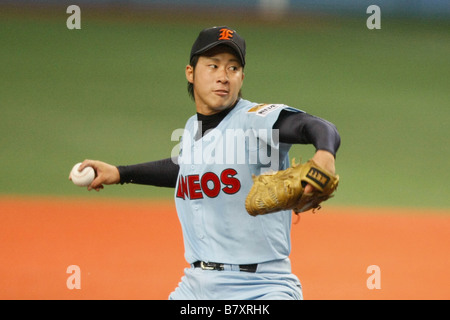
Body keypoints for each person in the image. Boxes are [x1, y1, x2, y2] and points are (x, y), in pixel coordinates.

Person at [73, 26, 340, 300]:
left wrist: (325, 154)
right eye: (213, 66)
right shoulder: (192, 129)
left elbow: (317, 126)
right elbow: (186, 167)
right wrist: (120, 173)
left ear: (242, 77)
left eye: (233, 69)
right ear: (191, 72)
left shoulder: (254, 120)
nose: (223, 77)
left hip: (261, 288)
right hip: (195, 287)